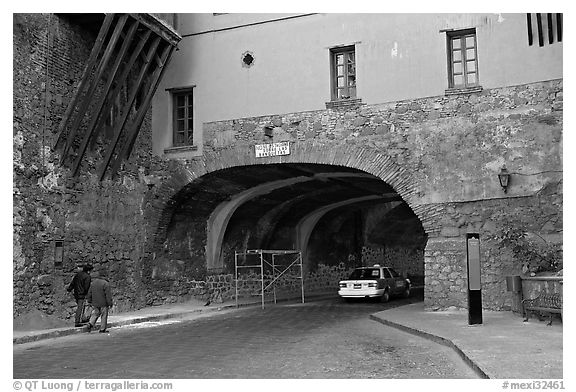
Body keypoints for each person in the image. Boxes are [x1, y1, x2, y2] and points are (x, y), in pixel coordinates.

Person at [86, 268, 113, 333]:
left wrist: (89, 300)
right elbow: (108, 295)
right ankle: (102, 329)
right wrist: (110, 303)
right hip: (103, 303)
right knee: (104, 315)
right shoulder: (106, 283)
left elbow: (90, 292)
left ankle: (90, 323)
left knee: (95, 313)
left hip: (95, 302)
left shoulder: (93, 283)